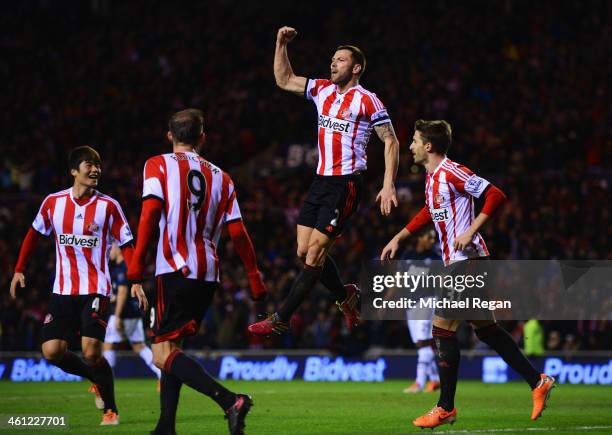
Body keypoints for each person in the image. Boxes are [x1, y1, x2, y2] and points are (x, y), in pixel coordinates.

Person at [381, 120, 555, 429]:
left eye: (415, 142)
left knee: (441, 328)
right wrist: (399, 237)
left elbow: (496, 195)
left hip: (468, 259)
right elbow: (428, 212)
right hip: (461, 261)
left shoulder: (452, 171)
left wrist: (471, 230)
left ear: (429, 147)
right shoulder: (432, 178)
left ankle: (445, 407)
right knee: (486, 330)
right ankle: (537, 380)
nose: (410, 147)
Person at [248, 26, 400, 336]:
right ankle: (345, 295)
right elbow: (284, 80)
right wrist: (280, 44)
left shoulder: (368, 100)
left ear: (355, 68)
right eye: (332, 59)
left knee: (315, 255)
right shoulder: (322, 90)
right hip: (320, 181)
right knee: (304, 253)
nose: (333, 64)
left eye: (340, 60)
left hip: (345, 184)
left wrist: (388, 184)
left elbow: (391, 141)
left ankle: (281, 318)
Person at [127, 109, 267, 435]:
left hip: (174, 267)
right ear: (202, 138)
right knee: (172, 348)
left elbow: (149, 216)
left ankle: (229, 400)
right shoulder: (223, 177)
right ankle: (166, 426)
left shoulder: (157, 164)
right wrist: (254, 276)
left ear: (169, 136)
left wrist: (135, 269)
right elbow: (238, 232)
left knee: (161, 353)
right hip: (207, 272)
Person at [9, 146, 134, 426]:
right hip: (63, 290)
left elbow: (127, 244)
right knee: (51, 351)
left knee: (91, 351)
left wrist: (135, 279)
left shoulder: (109, 206)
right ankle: (95, 378)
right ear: (74, 171)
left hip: (96, 287)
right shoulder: (54, 203)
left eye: (98, 165)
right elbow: (32, 235)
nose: (96, 169)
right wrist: (18, 269)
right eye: (89, 164)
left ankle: (110, 410)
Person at [89, 243, 161, 409]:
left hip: (123, 314)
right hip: (132, 313)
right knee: (138, 346)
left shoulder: (123, 267)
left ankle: (102, 382)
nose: (109, 251)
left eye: (111, 248)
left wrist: (117, 316)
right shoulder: (122, 266)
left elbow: (122, 292)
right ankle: (160, 373)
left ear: (118, 249)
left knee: (108, 346)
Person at [401, 230, 440, 394]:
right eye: (428, 237)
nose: (431, 240)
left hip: (428, 301)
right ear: (419, 237)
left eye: (433, 238)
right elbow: (399, 278)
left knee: (424, 341)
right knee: (419, 343)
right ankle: (435, 379)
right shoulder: (407, 255)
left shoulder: (435, 258)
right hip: (411, 303)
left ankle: (419, 382)